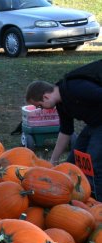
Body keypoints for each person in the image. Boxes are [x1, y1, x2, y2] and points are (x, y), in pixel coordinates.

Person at [25, 61, 102, 200]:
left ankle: (98, 202)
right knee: (72, 161)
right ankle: (74, 193)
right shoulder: (62, 104)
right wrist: (53, 162)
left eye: (40, 106)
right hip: (94, 124)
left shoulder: (75, 88)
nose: (42, 109)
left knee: (94, 160)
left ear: (45, 97)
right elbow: (66, 132)